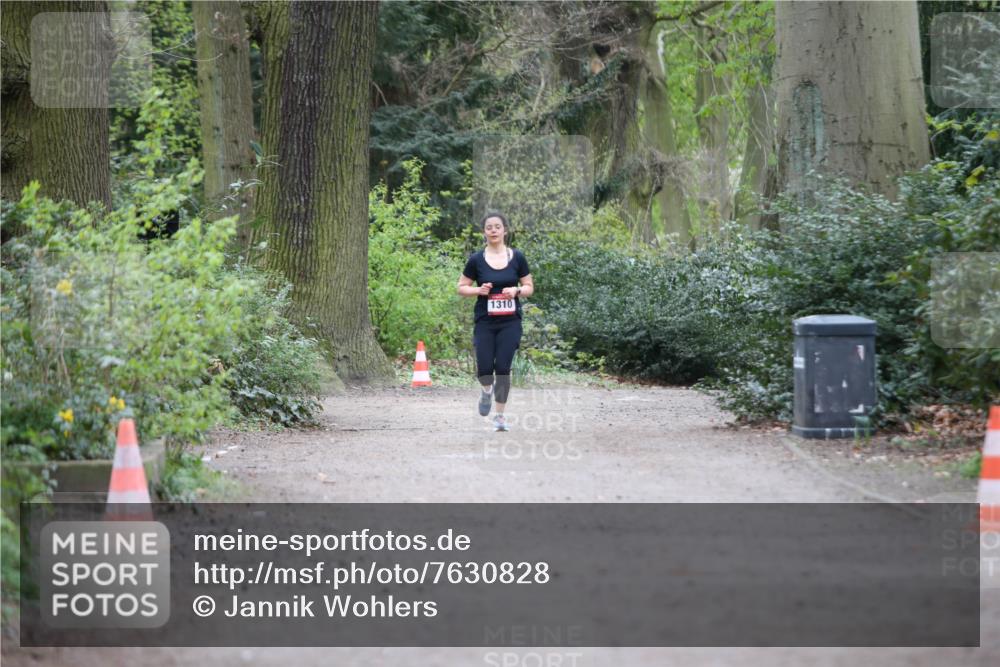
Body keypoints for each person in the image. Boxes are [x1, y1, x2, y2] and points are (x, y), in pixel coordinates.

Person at [456, 212, 534, 431]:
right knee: (484, 368)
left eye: (497, 227)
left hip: (510, 322)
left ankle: (499, 416)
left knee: (502, 368)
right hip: (485, 321)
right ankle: (486, 391)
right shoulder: (476, 259)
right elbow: (461, 287)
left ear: (505, 231)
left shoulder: (517, 257)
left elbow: (529, 287)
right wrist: (478, 290)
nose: (493, 230)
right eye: (489, 227)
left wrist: (517, 290)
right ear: (484, 232)